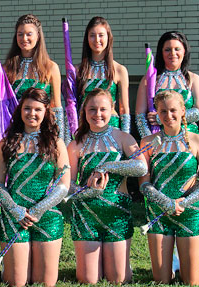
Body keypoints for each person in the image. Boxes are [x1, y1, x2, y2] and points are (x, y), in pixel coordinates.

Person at [67, 88, 147, 284]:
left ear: (112, 110)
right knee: (88, 280)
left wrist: (108, 166)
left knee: (118, 279)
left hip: (116, 215)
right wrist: (87, 191)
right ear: (84, 111)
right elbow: (66, 186)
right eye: (92, 109)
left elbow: (141, 167)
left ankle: (119, 262)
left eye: (103, 109)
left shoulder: (123, 138)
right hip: (86, 215)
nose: (97, 114)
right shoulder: (76, 143)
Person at [0, 88, 69, 287]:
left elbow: (63, 184)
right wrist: (15, 210)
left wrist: (38, 209)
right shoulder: (6, 143)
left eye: (37, 109)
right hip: (13, 215)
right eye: (27, 108)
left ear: (46, 112)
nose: (32, 114)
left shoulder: (56, 144)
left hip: (47, 215)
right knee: (17, 282)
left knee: (44, 283)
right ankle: (9, 269)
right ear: (20, 110)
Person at [139, 90, 199, 285]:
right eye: (163, 111)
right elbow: (144, 184)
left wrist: (184, 202)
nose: (168, 115)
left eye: (173, 110)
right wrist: (166, 203)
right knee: (161, 280)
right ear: (157, 112)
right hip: (158, 212)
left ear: (183, 111)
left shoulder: (198, 140)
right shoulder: (148, 143)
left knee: (191, 281)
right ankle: (172, 262)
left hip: (189, 213)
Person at [4, 14, 65, 140]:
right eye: (20, 34)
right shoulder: (6, 68)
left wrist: (59, 138)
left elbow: (56, 107)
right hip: (15, 131)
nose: (24, 38)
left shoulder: (51, 68)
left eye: (29, 34)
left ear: (38, 36)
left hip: (44, 133)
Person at [136, 31, 199, 137]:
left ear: (184, 51)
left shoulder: (194, 79)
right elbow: (140, 117)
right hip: (159, 140)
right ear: (161, 52)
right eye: (167, 50)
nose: (172, 53)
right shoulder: (149, 80)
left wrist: (162, 118)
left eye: (177, 49)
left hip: (188, 139)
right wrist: (149, 143)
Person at [76, 17, 130, 133]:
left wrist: (125, 137)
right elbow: (72, 105)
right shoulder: (77, 70)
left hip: (112, 129)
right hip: (84, 129)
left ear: (108, 37)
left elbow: (124, 109)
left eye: (101, 35)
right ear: (87, 38)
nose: (97, 40)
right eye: (92, 35)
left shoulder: (120, 70)